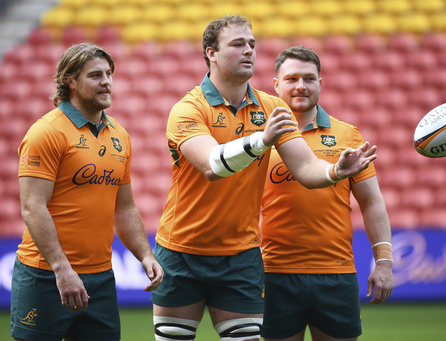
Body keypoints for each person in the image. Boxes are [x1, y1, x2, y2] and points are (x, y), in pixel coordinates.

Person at [151, 15, 378, 341]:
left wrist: (334, 171)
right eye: (238, 44)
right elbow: (211, 165)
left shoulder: (272, 107)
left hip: (241, 255)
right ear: (211, 53)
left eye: (252, 45)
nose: (249, 51)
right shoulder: (188, 108)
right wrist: (262, 139)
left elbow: (306, 170)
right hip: (181, 249)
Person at [10, 42, 163, 341]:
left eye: (109, 73)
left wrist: (145, 255)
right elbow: (32, 206)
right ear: (70, 81)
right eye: (95, 75)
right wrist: (61, 269)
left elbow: (125, 208)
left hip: (101, 278)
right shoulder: (46, 132)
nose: (107, 81)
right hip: (46, 276)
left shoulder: (120, 135)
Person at [259, 46, 394, 341]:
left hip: (336, 272)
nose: (300, 86)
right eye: (291, 78)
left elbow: (372, 201)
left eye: (309, 79)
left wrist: (383, 262)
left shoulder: (348, 135)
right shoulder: (259, 140)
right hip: (274, 273)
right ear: (276, 85)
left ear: (321, 84)